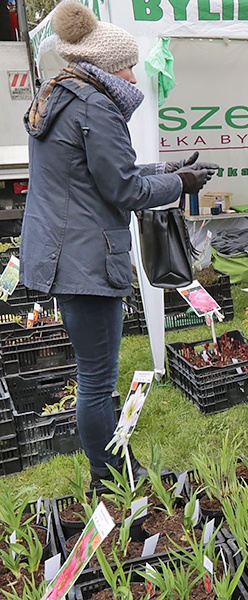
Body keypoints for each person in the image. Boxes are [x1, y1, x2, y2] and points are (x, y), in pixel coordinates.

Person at [20, 2, 217, 487]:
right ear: (106, 67)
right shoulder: (95, 105)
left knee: (93, 376)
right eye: (128, 65)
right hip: (85, 256)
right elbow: (124, 191)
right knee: (96, 380)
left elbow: (96, 175)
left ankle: (107, 472)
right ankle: (110, 476)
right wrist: (184, 185)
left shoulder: (61, 96)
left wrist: (168, 170)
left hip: (62, 249)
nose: (133, 73)